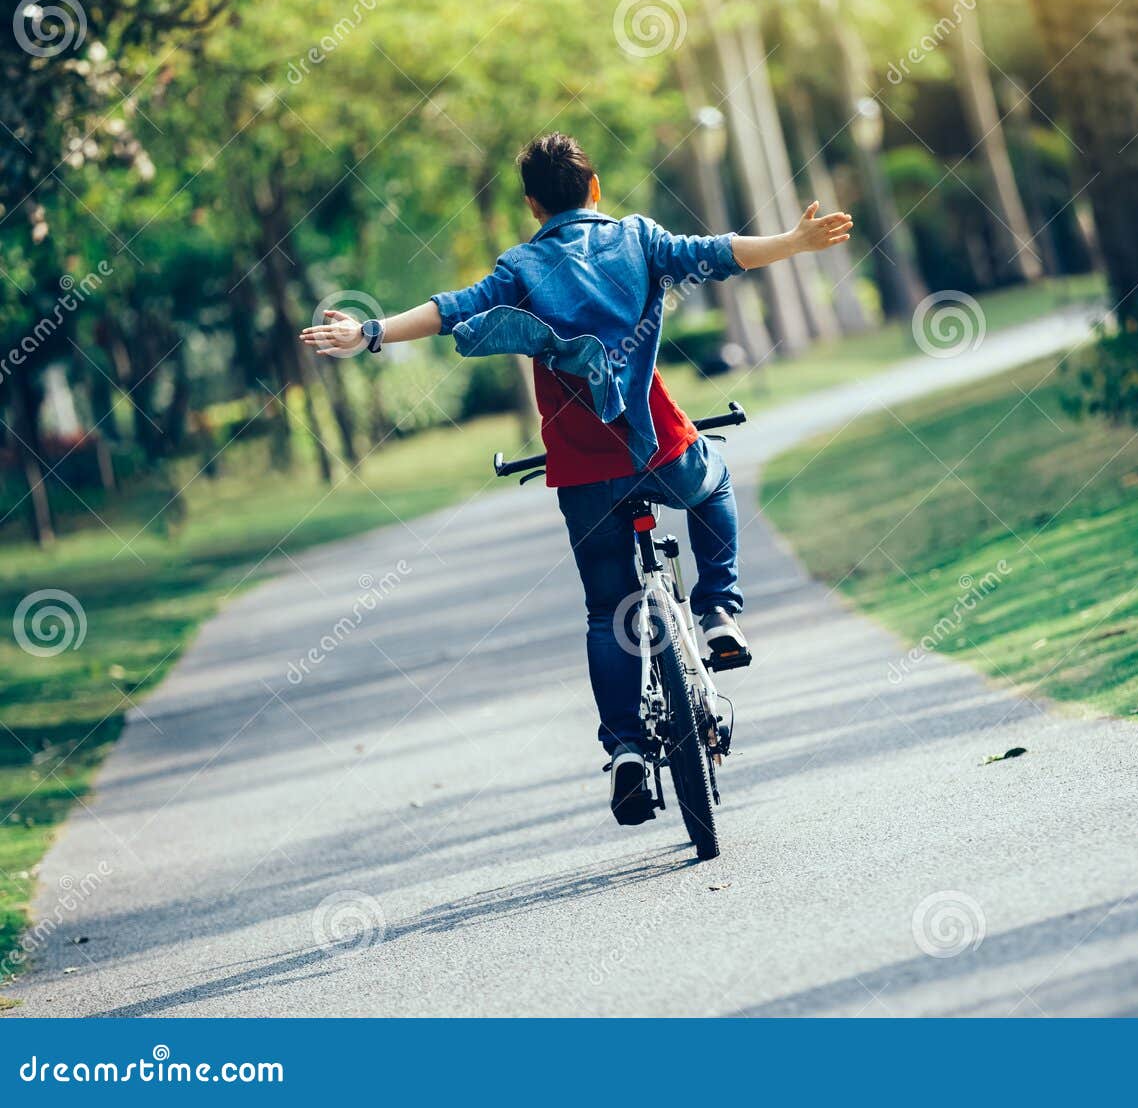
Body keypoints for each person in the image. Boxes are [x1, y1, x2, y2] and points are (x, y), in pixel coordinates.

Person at [301, 132, 851, 825]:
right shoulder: (639, 239)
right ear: (594, 189)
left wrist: (370, 331)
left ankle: (625, 752)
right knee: (711, 486)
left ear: (533, 206)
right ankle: (717, 613)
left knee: (608, 609)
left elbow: (452, 309)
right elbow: (719, 252)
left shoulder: (522, 265)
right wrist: (795, 243)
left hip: (582, 466)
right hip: (657, 448)